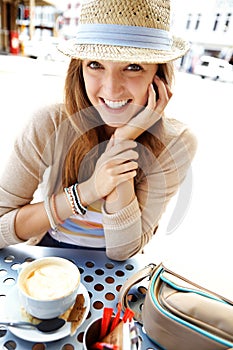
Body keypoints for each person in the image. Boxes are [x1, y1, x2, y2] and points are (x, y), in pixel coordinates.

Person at [0, 0, 197, 261]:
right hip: (47, 251)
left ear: (157, 77)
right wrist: (89, 190)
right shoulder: (48, 124)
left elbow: (122, 251)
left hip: (114, 270)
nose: (111, 88)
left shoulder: (177, 142)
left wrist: (122, 142)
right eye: (95, 64)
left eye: (133, 67)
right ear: (79, 69)